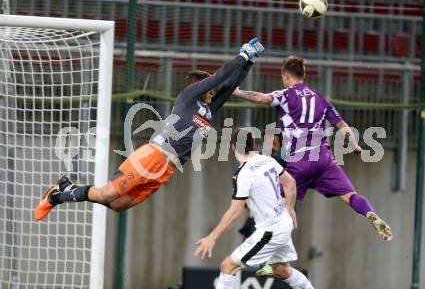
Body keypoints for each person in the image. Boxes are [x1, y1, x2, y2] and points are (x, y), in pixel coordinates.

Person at [34, 38, 265, 221]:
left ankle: (69, 188)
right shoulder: (188, 97)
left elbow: (230, 84)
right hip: (154, 155)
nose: (212, 91)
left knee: (117, 205)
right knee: (107, 194)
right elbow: (222, 76)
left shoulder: (208, 110)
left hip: (167, 169)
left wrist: (250, 62)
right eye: (208, 87)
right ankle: (56, 196)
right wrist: (242, 54)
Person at [232, 55, 393, 244]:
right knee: (350, 196)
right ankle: (371, 214)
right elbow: (343, 126)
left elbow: (261, 98)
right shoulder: (320, 99)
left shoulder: (286, 95)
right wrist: (355, 146)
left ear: (285, 75)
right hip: (324, 160)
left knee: (279, 205)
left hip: (298, 162)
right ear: (303, 74)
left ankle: (270, 253)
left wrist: (237, 92)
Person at [194, 129, 314, 289]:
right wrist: (290, 209)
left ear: (233, 146)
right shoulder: (267, 160)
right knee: (281, 270)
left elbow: (234, 212)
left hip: (270, 231)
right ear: (253, 144)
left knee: (227, 266)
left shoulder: (242, 174)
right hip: (284, 223)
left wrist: (212, 237)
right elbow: (290, 183)